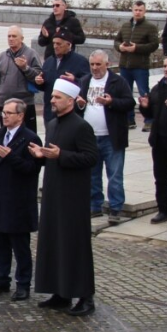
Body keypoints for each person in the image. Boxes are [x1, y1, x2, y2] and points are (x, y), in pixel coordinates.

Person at [30, 79, 100, 316]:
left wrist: (62, 155)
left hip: (73, 196)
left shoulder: (81, 127)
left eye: (57, 97)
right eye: (52, 97)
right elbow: (52, 155)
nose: (52, 100)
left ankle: (85, 297)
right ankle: (60, 292)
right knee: (54, 242)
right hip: (53, 193)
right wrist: (42, 154)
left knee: (75, 245)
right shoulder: (51, 124)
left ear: (70, 101)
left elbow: (90, 158)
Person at [0, 99, 43, 300]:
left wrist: (11, 156)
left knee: (20, 246)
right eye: (3, 112)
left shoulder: (30, 138)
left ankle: (23, 284)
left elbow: (33, 169)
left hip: (18, 201)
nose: (4, 115)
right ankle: (1, 279)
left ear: (20, 116)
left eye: (9, 113)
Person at [76, 50, 135, 224]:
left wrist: (112, 102)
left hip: (112, 137)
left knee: (114, 175)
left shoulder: (118, 81)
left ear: (107, 64)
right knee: (92, 174)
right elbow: (79, 106)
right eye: (92, 64)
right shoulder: (85, 80)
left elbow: (129, 103)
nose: (95, 68)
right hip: (90, 137)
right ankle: (95, 206)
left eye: (98, 64)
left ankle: (115, 208)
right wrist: (79, 105)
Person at [140, 54, 167, 223]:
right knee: (160, 178)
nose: (166, 69)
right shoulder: (158, 88)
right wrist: (145, 107)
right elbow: (151, 114)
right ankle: (164, 209)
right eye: (164, 66)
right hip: (159, 141)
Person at [115, 0, 160, 132]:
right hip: (125, 66)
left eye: (140, 10)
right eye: (136, 10)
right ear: (132, 10)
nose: (138, 12)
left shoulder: (150, 27)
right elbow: (117, 40)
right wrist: (120, 47)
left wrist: (136, 48)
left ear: (144, 11)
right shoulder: (125, 26)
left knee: (144, 93)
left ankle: (148, 120)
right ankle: (129, 120)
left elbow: (154, 45)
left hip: (140, 66)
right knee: (126, 94)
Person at [0, 26, 43, 133]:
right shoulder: (2, 56)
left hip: (24, 104)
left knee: (28, 137)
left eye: (14, 36)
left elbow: (39, 77)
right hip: (4, 103)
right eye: (9, 36)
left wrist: (25, 68)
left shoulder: (31, 54)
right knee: (5, 135)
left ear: (22, 38)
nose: (11, 39)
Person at [36, 30, 89, 123]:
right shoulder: (49, 61)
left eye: (59, 43)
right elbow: (45, 86)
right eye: (54, 43)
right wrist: (39, 82)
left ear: (69, 45)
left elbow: (88, 84)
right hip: (50, 112)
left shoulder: (80, 61)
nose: (55, 46)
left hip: (70, 114)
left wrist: (75, 80)